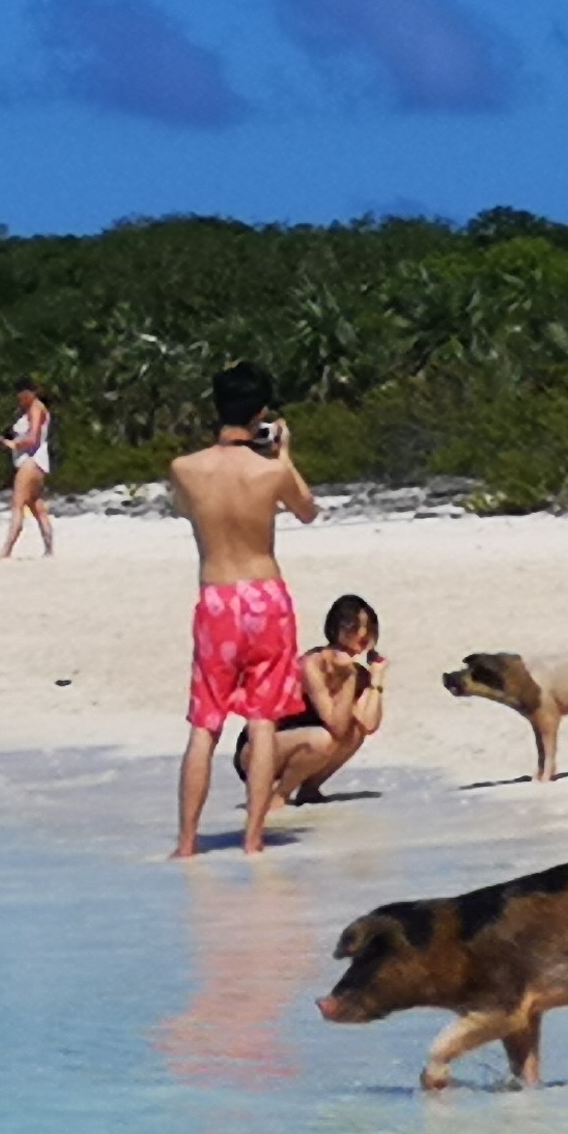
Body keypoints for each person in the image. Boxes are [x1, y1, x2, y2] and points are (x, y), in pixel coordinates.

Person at [170, 364, 321, 858]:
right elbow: (307, 510)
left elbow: (190, 512)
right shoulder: (272, 471)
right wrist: (284, 456)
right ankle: (253, 839)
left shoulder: (184, 468)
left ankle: (187, 842)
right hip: (265, 596)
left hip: (217, 596)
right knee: (261, 721)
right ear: (261, 413)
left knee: (204, 724)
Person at [234, 593, 385, 807]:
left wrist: (376, 679)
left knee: (355, 732)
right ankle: (280, 794)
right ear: (336, 630)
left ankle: (309, 788)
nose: (363, 634)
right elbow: (336, 726)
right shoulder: (311, 665)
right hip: (258, 750)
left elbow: (368, 724)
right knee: (323, 738)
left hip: (306, 746)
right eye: (355, 628)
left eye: (369, 629)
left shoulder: (358, 673)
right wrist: (348, 678)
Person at [0, 379, 55, 559]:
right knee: (36, 506)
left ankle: (6, 550)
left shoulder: (36, 409)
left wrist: (12, 444)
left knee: (17, 504)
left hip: (31, 461)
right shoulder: (30, 410)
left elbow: (33, 438)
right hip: (36, 462)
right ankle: (49, 550)